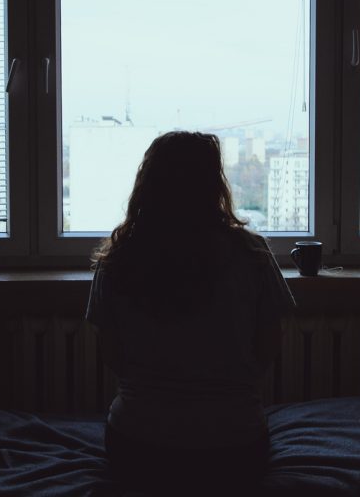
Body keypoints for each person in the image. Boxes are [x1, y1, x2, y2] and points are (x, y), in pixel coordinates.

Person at [85, 131, 295, 494]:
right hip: (234, 448)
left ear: (148, 184)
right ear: (214, 184)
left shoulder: (119, 259)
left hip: (137, 446)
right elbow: (268, 346)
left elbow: (112, 354)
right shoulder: (252, 253)